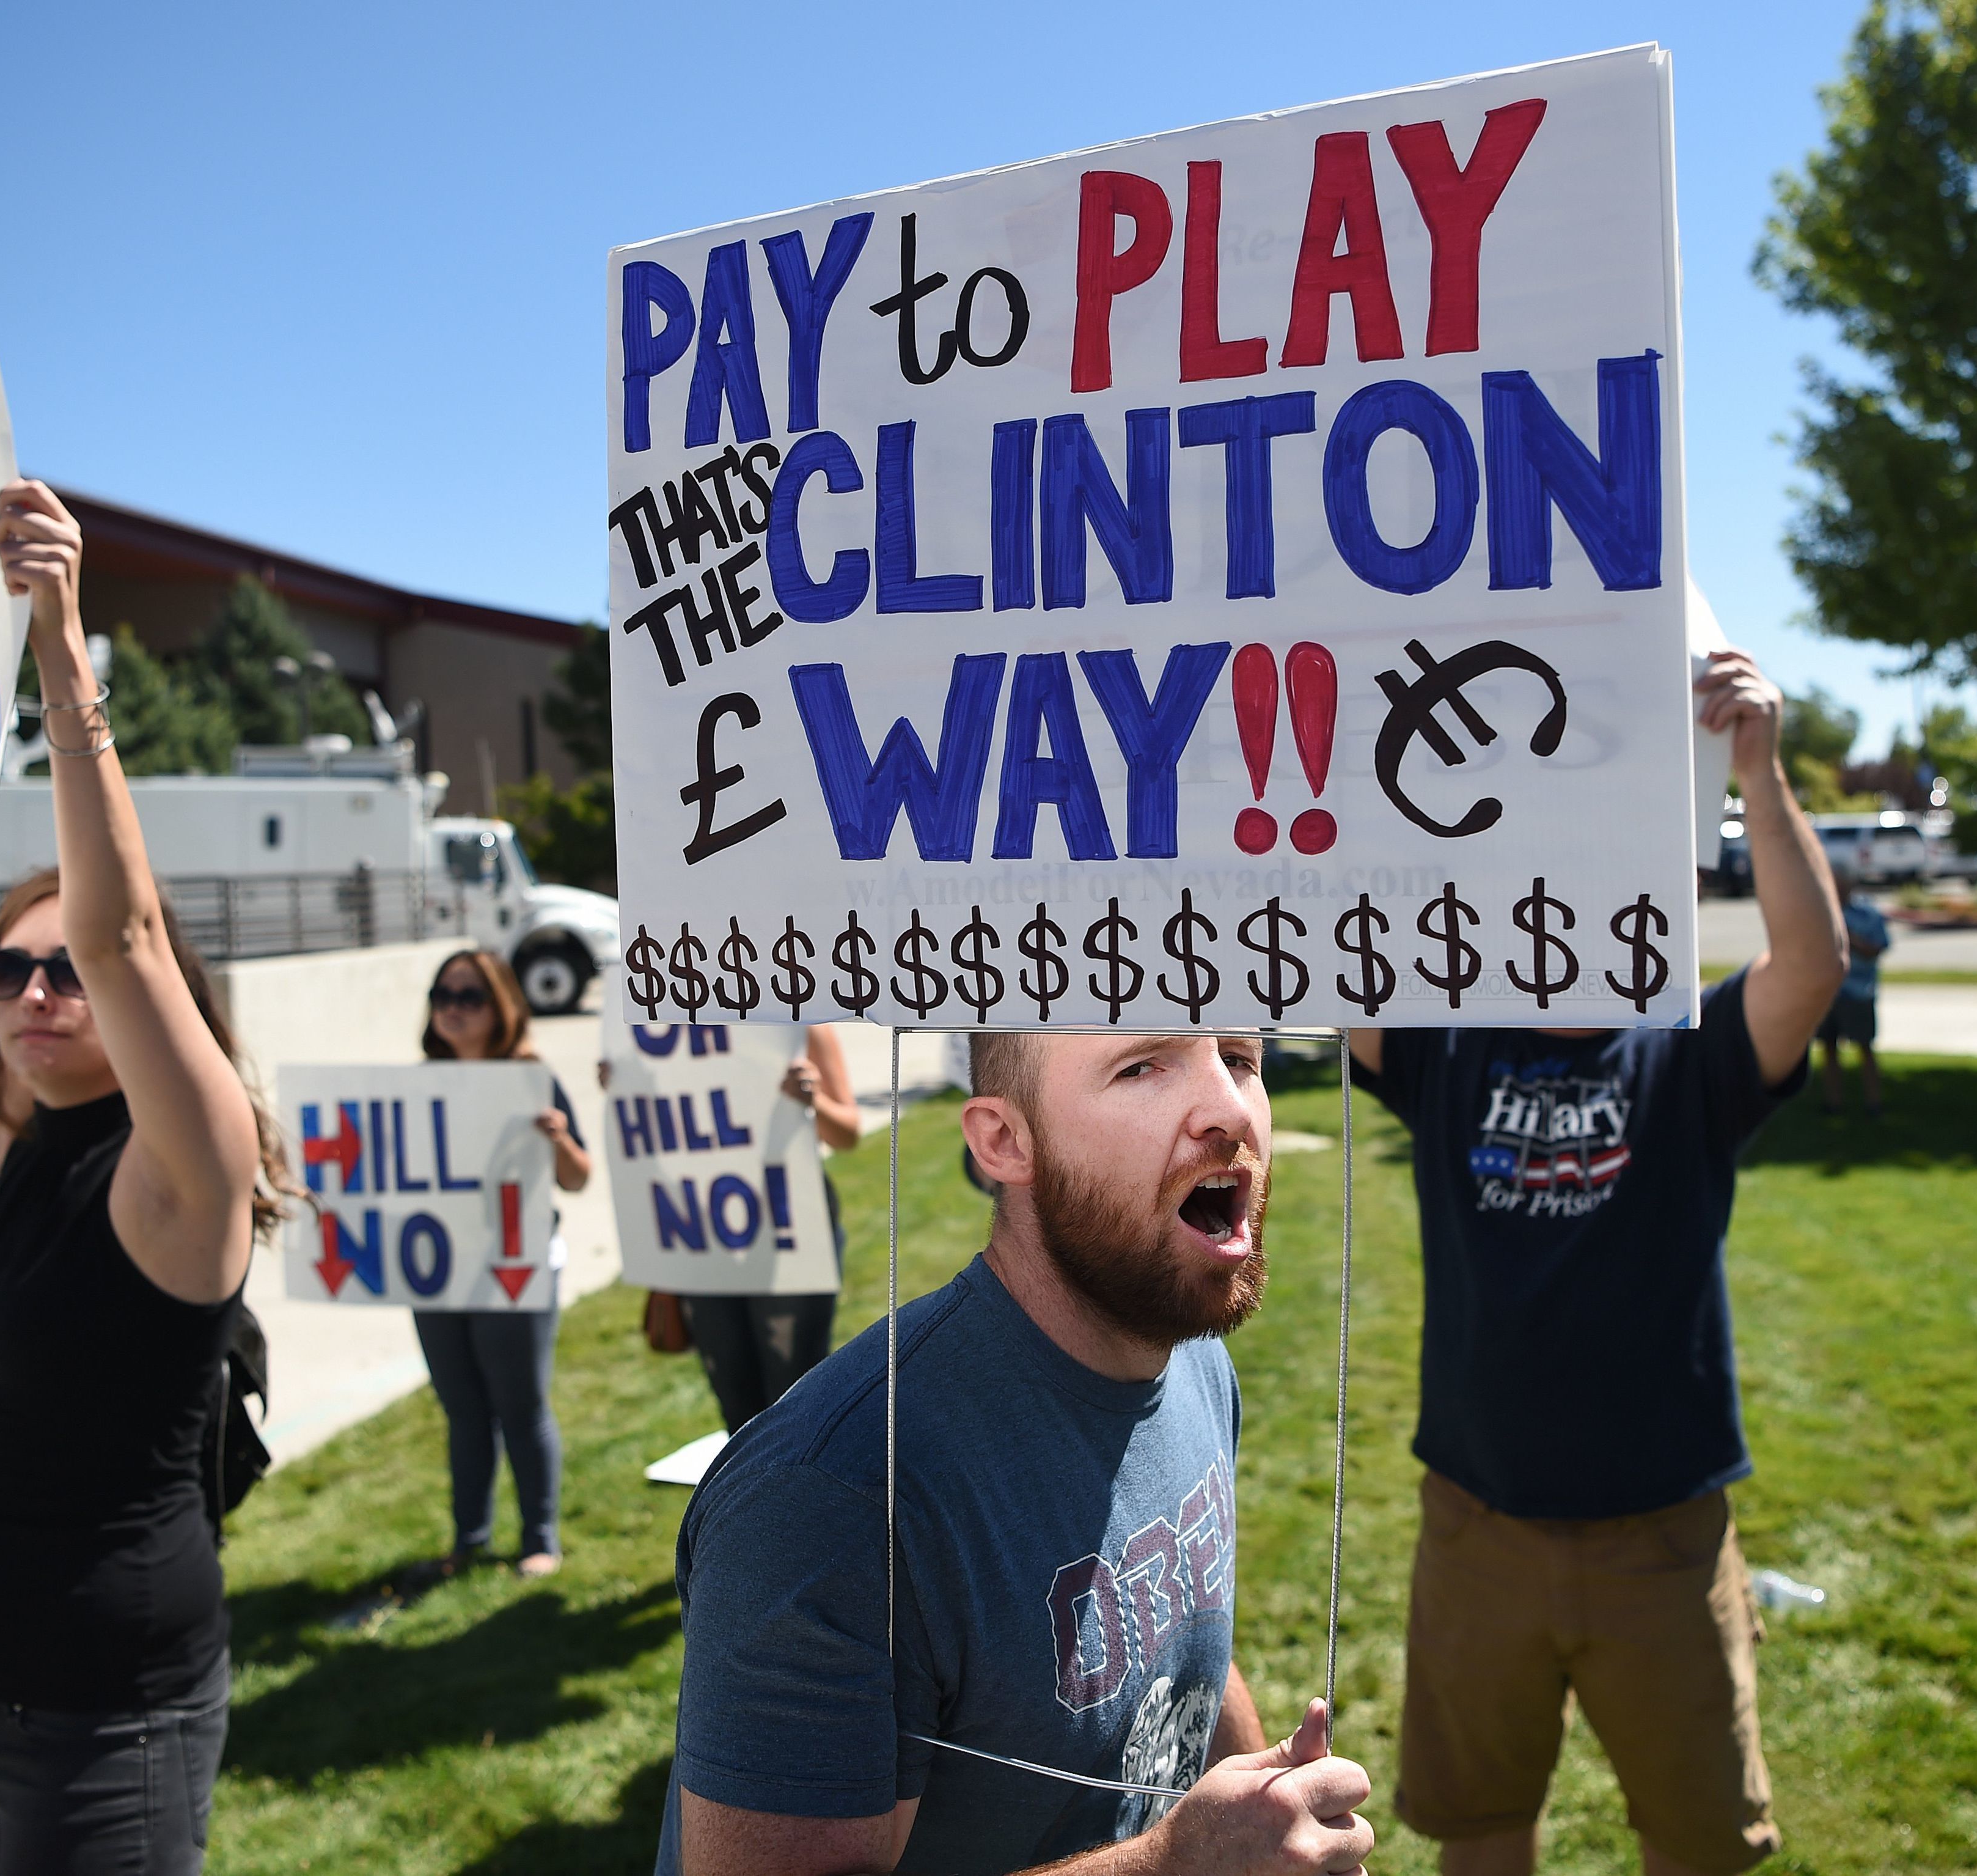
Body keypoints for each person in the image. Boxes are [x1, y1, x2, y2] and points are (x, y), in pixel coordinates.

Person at [1348, 647, 1845, 1876]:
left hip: (1660, 1539)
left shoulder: (1686, 1053)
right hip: (1476, 1525)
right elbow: (1345, 939)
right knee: (1477, 1827)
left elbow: (1812, 964)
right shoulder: (1448, 1037)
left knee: (1697, 1842)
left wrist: (1754, 771)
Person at [0, 479, 278, 1875]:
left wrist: (58, 635)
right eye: (6, 970)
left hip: (105, 1727)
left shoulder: (185, 1179)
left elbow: (127, 929)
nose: (35, 990)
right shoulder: (20, 1133)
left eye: (63, 969)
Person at [657, 1031, 1375, 1876]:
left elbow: (1187, 1632)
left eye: (1241, 1058)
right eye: (1141, 1065)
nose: (1228, 1109)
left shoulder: (1189, 1358)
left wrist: (1265, 1803)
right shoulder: (831, 1498)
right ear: (1003, 1141)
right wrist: (1169, 1867)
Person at [416, 949, 592, 1576]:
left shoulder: (531, 1078)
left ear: (502, 1006)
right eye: (444, 995)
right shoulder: (420, 1084)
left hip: (517, 1268)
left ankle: (539, 1538)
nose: (454, 1009)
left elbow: (577, 1178)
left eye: (471, 997)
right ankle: (470, 1539)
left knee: (520, 1407)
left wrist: (559, 1139)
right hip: (439, 1272)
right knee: (463, 1411)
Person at [686, 1024, 860, 1432]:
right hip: (707, 1232)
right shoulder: (678, 1038)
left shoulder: (802, 1028)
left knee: (797, 1398)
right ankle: (748, 1494)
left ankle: (799, 1495)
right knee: (734, 1396)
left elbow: (847, 1134)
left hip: (791, 1227)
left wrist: (812, 1098)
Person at [1815, 859, 1888, 1117]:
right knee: (1828, 1048)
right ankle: (1833, 1103)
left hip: (1858, 991)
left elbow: (1878, 948)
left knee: (1865, 1048)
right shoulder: (1818, 912)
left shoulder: (1867, 913)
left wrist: (1847, 938)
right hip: (1827, 991)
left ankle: (1874, 1103)